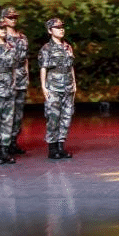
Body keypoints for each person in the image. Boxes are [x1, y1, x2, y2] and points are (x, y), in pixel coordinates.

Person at [39, 18, 76, 159]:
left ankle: (61, 146)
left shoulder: (67, 47)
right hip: (53, 86)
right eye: (57, 27)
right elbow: (43, 68)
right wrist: (44, 87)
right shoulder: (46, 48)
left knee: (66, 116)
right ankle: (52, 147)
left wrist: (74, 83)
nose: (61, 29)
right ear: (50, 31)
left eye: (62, 27)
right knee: (53, 116)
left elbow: (70, 66)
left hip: (68, 86)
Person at [0, 6, 28, 156]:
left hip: (20, 79)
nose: (13, 20)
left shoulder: (22, 38)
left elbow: (25, 59)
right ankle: (3, 145)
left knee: (17, 113)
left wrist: (27, 75)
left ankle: (12, 142)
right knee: (3, 114)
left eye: (15, 17)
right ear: (3, 19)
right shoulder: (1, 38)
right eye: (10, 17)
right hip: (4, 80)